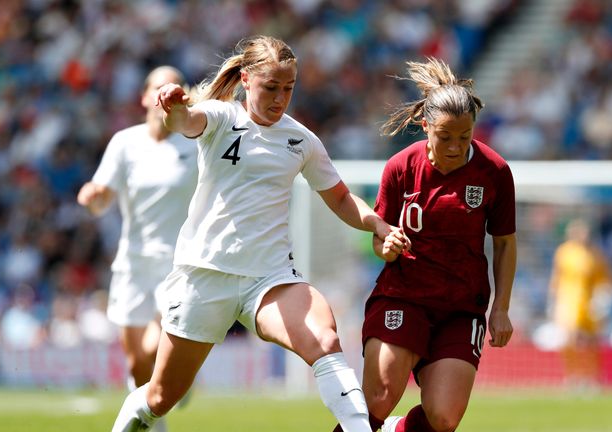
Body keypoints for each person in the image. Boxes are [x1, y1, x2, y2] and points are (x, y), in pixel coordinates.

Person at [111, 35, 407, 432]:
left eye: (288, 88)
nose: (280, 98)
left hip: (269, 278)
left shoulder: (301, 139)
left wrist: (375, 222)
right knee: (161, 398)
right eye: (271, 87)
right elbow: (184, 122)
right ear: (246, 80)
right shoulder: (219, 116)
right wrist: (173, 108)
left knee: (323, 338)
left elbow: (338, 198)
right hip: (205, 275)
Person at [336, 57, 517, 432]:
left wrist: (501, 308)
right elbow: (379, 237)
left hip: (461, 307)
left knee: (444, 418)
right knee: (380, 398)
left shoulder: (494, 172)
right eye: (445, 136)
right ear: (425, 127)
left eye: (464, 137)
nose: (455, 146)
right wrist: (385, 246)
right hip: (403, 297)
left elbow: (503, 244)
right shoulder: (401, 167)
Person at [78, 66, 198, 431]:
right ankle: (159, 415)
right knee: (136, 365)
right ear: (145, 96)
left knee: (152, 349)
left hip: (179, 265)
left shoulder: (195, 142)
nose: (165, 94)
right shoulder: (125, 143)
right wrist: (92, 198)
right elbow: (101, 198)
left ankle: (179, 375)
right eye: (158, 87)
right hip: (132, 263)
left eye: (174, 88)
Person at [547, 218, 612, 389]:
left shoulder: (596, 255)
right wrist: (552, 301)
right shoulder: (564, 252)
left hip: (588, 302)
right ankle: (572, 376)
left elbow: (604, 280)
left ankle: (592, 377)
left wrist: (602, 300)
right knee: (569, 340)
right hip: (568, 301)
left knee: (592, 342)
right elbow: (557, 277)